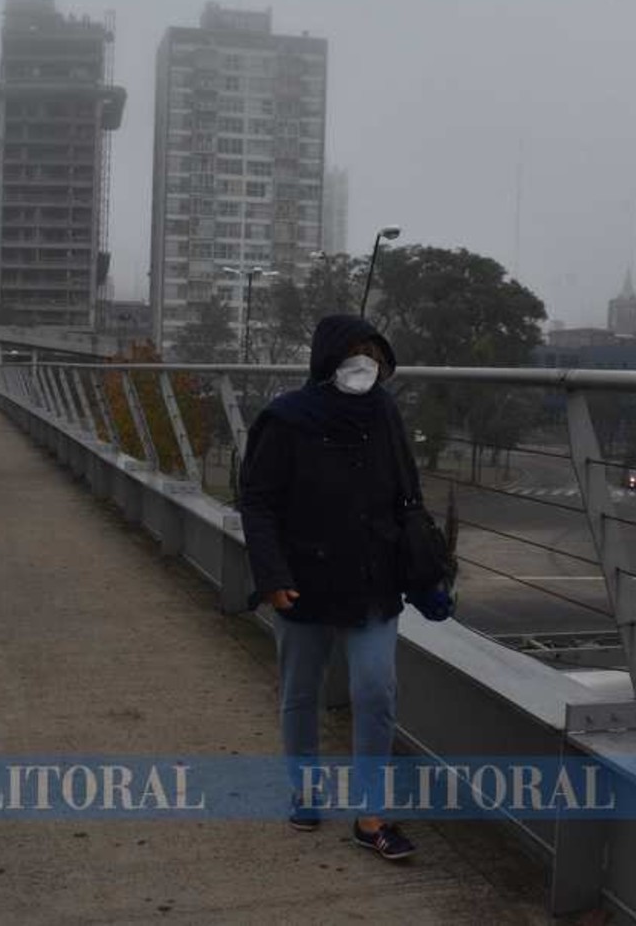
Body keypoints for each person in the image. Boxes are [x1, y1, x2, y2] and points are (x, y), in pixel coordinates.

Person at [238, 313, 420, 861]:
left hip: (373, 582)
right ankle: (305, 790)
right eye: (353, 352)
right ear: (326, 360)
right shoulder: (286, 419)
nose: (364, 364)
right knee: (300, 693)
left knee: (375, 690)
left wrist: (424, 566)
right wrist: (271, 576)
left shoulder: (384, 413)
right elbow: (259, 502)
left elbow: (407, 494)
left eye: (373, 353)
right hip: (302, 583)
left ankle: (371, 816)